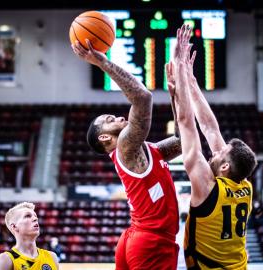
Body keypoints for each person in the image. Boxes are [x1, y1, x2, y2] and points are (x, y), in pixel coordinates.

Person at [72, 39, 181, 269]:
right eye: (110, 120)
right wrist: (102, 62)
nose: (120, 117)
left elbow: (182, 141)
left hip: (138, 237)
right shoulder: (124, 147)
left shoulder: (149, 150)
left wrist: (175, 95)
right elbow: (143, 97)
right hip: (151, 242)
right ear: (104, 138)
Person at [169, 25, 257, 269]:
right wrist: (192, 80)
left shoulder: (208, 187)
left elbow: (187, 123)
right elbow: (209, 128)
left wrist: (179, 67)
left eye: (220, 152)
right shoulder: (244, 186)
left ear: (226, 165)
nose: (215, 150)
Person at [0, 202, 59, 270]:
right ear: (14, 226)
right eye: (27, 216)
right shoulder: (5, 260)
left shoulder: (52, 257)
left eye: (35, 216)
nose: (35, 219)